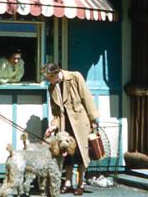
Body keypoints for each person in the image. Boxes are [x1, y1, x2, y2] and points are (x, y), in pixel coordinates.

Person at [43, 62, 99, 196]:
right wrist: (53, 126)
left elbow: (87, 98)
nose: (48, 81)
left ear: (55, 74)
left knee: (81, 154)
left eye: (49, 78)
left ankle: (81, 184)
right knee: (66, 155)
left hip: (80, 122)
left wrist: (93, 120)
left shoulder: (75, 77)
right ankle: (68, 183)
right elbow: (56, 112)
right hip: (64, 124)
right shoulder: (52, 88)